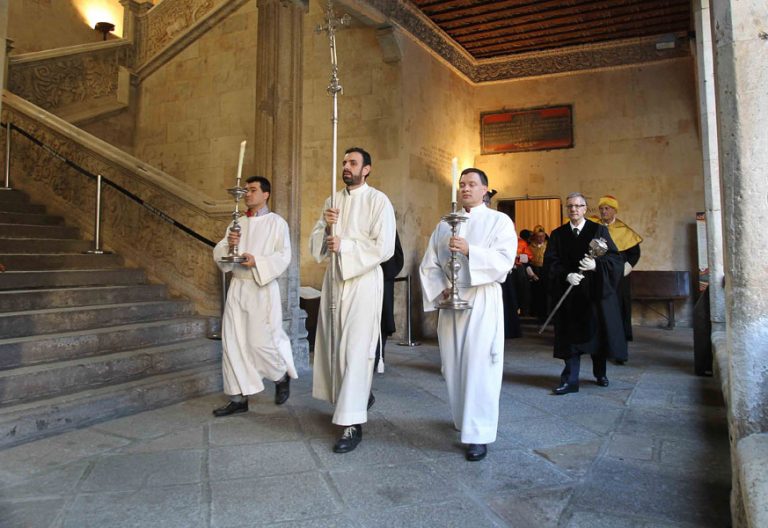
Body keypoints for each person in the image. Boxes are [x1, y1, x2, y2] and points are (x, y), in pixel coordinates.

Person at [419, 168, 516, 461]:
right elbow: (430, 263)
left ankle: (479, 434)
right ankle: (463, 421)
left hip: (481, 299)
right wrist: (441, 290)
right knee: (453, 364)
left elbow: (504, 260)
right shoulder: (445, 225)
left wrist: (470, 250)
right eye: (462, 184)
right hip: (452, 303)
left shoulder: (499, 221)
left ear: (485, 189)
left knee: (479, 365)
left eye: (472, 184)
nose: (465, 189)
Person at [309, 147, 396, 454]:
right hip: (334, 282)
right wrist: (325, 226)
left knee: (355, 351)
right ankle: (356, 398)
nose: (346, 166)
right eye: (344, 162)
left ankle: (351, 423)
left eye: (353, 163)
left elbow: (384, 247)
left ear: (367, 169)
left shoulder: (378, 201)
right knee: (335, 348)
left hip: (362, 282)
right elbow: (318, 245)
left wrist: (344, 243)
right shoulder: (332, 201)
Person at [212, 176, 296, 416]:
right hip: (237, 287)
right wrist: (230, 244)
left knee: (261, 343)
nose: (247, 194)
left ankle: (281, 377)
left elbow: (284, 256)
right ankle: (238, 398)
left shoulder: (276, 223)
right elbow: (220, 252)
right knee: (233, 342)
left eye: (253, 190)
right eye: (246, 190)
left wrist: (257, 260)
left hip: (261, 287)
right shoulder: (237, 222)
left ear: (266, 194)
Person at [545, 192, 626, 395]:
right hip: (570, 296)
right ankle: (570, 380)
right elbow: (550, 264)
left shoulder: (598, 230)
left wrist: (595, 265)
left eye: (578, 206)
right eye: (570, 206)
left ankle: (600, 374)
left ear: (584, 209)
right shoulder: (557, 234)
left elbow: (615, 260)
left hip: (594, 294)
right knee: (570, 340)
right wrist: (566, 275)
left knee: (597, 337)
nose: (574, 209)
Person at [596, 195, 642, 364]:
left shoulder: (624, 230)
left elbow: (634, 253)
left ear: (614, 210)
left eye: (607, 208)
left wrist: (626, 268)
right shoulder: (596, 228)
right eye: (601, 208)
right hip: (600, 274)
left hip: (619, 276)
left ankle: (619, 346)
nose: (603, 211)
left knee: (619, 308)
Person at [374, 230, 404, 375]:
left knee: (382, 321)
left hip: (383, 278)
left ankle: (378, 357)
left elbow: (397, 256)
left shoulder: (386, 218)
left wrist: (382, 271)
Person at [528, 225, 549, 323]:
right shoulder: (529, 246)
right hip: (534, 270)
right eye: (538, 236)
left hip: (546, 270)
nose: (541, 238)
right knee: (535, 293)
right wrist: (531, 274)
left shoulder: (549, 245)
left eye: (542, 236)